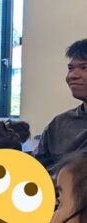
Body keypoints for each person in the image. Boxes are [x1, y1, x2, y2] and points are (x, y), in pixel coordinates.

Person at [34, 38, 87, 172]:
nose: (73, 75)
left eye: (84, 67)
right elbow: (35, 168)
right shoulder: (59, 124)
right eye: (70, 68)